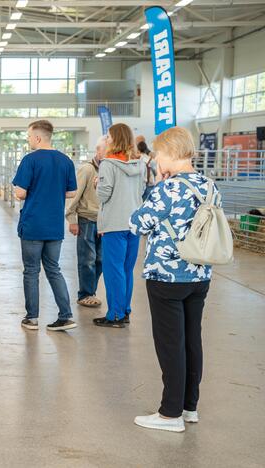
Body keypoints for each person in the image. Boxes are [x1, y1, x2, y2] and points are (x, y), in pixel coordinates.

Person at [129, 127, 216, 433]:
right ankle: (189, 407)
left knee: (170, 344)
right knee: (192, 339)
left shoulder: (168, 189)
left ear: (170, 154)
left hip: (167, 276)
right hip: (200, 273)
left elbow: (138, 222)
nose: (155, 160)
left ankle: (169, 414)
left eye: (158, 154)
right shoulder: (208, 184)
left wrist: (155, 193)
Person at [12, 120, 78, 331]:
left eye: (29, 136)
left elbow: (21, 192)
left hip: (33, 224)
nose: (28, 139)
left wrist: (23, 192)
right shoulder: (65, 161)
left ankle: (32, 318)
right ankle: (66, 315)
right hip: (54, 226)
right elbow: (71, 192)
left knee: (31, 271)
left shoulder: (30, 160)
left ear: (38, 137)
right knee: (53, 269)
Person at [94, 123, 146, 328]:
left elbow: (104, 195)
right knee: (126, 270)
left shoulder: (108, 164)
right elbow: (142, 190)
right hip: (134, 222)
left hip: (114, 223)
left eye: (108, 137)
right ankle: (124, 311)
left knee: (113, 270)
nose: (106, 140)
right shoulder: (139, 163)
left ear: (115, 139)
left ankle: (114, 315)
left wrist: (97, 184)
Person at [66, 136, 105, 308]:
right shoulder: (87, 170)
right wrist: (72, 219)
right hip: (87, 220)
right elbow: (74, 195)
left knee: (101, 259)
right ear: (98, 151)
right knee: (87, 259)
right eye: (107, 150)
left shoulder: (110, 170)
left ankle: (91, 291)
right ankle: (85, 293)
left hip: (104, 222)